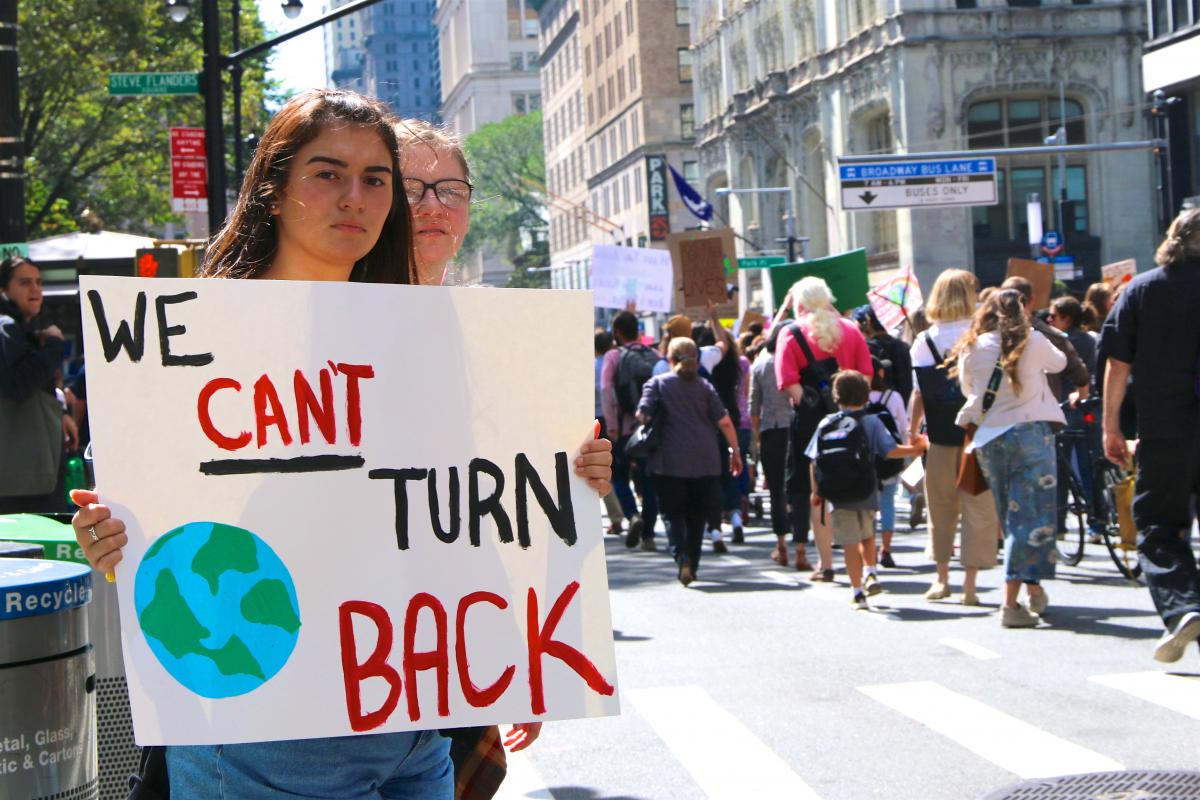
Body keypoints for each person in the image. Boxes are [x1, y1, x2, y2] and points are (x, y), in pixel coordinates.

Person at [70, 90, 614, 800]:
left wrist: (570, 478)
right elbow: (154, 524)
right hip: (264, 725)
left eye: (375, 178)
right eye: (328, 174)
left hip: (409, 721)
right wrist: (107, 534)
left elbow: (452, 509)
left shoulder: (418, 332)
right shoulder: (192, 334)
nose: (354, 197)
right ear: (273, 192)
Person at [1102, 208, 1200, 664]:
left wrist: (1111, 426)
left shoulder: (1142, 289)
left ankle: (1183, 607)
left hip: (1167, 427)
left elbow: (1117, 364)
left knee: (1160, 526)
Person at [952, 289, 1066, 628]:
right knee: (1033, 516)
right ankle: (1011, 601)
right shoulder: (1032, 340)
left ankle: (1032, 590)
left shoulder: (973, 345)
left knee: (1012, 516)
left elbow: (967, 389)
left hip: (990, 437)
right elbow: (1059, 363)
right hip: (1030, 433)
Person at [908, 270, 1000, 604]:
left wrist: (912, 430)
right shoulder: (984, 337)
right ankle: (970, 586)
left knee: (941, 507)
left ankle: (941, 578)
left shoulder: (923, 342)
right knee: (978, 507)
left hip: (939, 435)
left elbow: (919, 394)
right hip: (980, 432)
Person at [775, 277, 873, 580]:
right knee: (859, 485)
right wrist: (850, 406)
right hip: (852, 418)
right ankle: (866, 563)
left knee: (815, 491)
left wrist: (812, 405)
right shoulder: (852, 329)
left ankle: (826, 563)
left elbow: (787, 382)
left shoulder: (790, 334)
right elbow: (866, 374)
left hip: (810, 422)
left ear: (799, 303)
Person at [807, 370, 926, 609]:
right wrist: (915, 450)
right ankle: (871, 571)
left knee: (849, 542)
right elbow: (889, 450)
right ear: (865, 397)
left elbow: (814, 459)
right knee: (868, 533)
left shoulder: (826, 424)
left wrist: (816, 491)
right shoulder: (871, 421)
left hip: (838, 494)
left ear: (836, 397)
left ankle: (858, 592)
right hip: (866, 488)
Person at [637, 337, 742, 586]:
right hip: (705, 461)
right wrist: (735, 450)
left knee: (673, 514)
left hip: (669, 460)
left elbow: (643, 414)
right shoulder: (705, 387)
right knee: (697, 516)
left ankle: (681, 556)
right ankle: (692, 564)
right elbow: (725, 421)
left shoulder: (657, 384)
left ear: (669, 358)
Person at [0, 256, 78, 514]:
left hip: (28, 472)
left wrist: (63, 411)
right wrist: (55, 345)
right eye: (24, 282)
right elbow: (18, 383)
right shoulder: (6, 328)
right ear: (4, 290)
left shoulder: (24, 329)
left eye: (38, 282)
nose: (35, 289)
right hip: (22, 478)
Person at [601, 310, 661, 550]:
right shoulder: (655, 355)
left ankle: (631, 515)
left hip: (624, 428)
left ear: (617, 333)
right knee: (649, 481)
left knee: (618, 475)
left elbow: (606, 390)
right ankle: (648, 535)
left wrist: (612, 427)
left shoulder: (614, 357)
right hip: (651, 429)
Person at [1047, 295, 1103, 543]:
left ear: (1066, 319)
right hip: (1085, 407)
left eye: (1054, 316)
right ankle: (1096, 522)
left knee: (1061, 470)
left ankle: (1059, 525)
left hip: (1063, 408)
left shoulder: (1060, 341)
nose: (1049, 319)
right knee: (1090, 467)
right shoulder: (1090, 339)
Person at [749, 327, 794, 564]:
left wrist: (757, 435)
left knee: (776, 488)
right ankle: (802, 543)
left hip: (770, 430)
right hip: (793, 428)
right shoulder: (792, 359)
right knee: (798, 485)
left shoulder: (759, 365)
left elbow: (753, 406)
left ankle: (781, 542)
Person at [867, 357, 909, 568]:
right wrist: (905, 455)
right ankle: (886, 549)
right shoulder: (894, 397)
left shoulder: (860, 396)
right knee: (887, 503)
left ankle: (871, 548)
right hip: (890, 455)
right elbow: (903, 428)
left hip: (867, 459)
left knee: (869, 506)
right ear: (881, 373)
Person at [595, 329, 625, 536]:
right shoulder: (619, 362)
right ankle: (622, 515)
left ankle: (618, 516)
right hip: (621, 420)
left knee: (602, 470)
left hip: (597, 421)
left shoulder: (591, 365)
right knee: (618, 468)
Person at [853, 304, 913, 407]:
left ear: (868, 323)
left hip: (881, 410)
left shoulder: (866, 351)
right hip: (908, 409)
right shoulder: (904, 346)